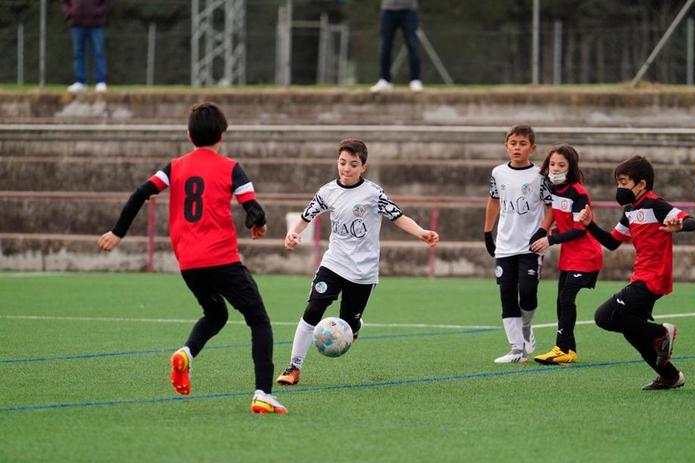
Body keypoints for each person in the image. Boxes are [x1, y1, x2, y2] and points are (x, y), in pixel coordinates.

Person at [97, 102, 288, 414]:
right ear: (222, 136)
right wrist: (258, 223)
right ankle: (263, 393)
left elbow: (140, 193)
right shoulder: (230, 167)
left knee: (216, 315)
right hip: (223, 260)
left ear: (188, 135)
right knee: (258, 320)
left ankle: (186, 352)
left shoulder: (174, 167)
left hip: (189, 263)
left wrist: (118, 232)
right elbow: (252, 207)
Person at [275, 138, 439, 386]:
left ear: (363, 166)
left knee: (348, 326)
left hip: (363, 272)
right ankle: (293, 367)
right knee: (313, 310)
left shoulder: (374, 194)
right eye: (342, 163)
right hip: (333, 263)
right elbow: (306, 216)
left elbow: (399, 217)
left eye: (353, 164)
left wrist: (422, 233)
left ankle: (355, 325)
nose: (346, 168)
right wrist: (293, 232)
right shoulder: (328, 191)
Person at [579, 156, 695, 390]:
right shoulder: (630, 210)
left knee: (604, 316)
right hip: (641, 276)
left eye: (623, 182)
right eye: (617, 183)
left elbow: (694, 221)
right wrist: (589, 225)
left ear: (641, 184)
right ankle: (670, 376)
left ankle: (662, 332)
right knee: (632, 331)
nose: (619, 188)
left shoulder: (655, 204)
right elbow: (612, 242)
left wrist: (680, 225)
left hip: (653, 277)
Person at [484, 124, 553, 364]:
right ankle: (517, 350)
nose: (517, 148)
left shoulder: (540, 176)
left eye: (522, 144)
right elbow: (494, 201)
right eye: (513, 144)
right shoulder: (498, 173)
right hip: (505, 244)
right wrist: (487, 233)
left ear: (532, 148)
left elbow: (551, 206)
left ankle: (526, 326)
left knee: (528, 293)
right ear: (506, 146)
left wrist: (543, 231)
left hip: (530, 246)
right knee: (506, 296)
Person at [529, 145, 603, 365]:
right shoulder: (554, 188)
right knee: (561, 302)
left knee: (566, 299)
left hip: (586, 256)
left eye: (561, 165)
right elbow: (554, 212)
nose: (555, 168)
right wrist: (543, 230)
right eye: (552, 164)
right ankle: (568, 350)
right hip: (570, 256)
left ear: (571, 167)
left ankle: (562, 349)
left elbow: (579, 230)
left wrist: (549, 240)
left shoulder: (578, 193)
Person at [59, 0, 113, 93]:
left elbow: (107, 2)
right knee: (78, 54)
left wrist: (98, 12)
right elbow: (64, 2)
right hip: (77, 23)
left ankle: (100, 82)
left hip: (96, 24)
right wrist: (69, 13)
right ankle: (80, 82)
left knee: (98, 53)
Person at [370, 0, 423, 93]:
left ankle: (415, 80)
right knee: (385, 46)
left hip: (409, 10)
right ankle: (385, 80)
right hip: (388, 10)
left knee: (413, 45)